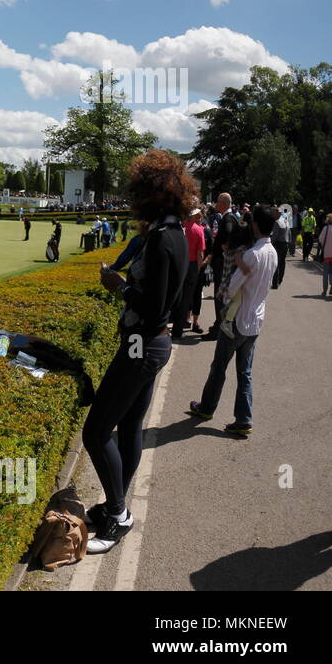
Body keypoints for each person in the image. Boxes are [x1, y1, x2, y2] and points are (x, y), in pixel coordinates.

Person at [82, 149, 193, 554]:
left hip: (141, 343)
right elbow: (174, 306)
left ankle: (118, 514)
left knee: (95, 431)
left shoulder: (163, 239)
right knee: (130, 427)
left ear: (151, 195)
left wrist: (119, 285)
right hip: (153, 342)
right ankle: (116, 505)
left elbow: (152, 306)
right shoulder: (173, 233)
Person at [187, 206, 279, 437]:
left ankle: (207, 408)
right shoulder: (273, 252)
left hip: (237, 319)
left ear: (256, 225)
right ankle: (243, 418)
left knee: (219, 367)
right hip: (256, 319)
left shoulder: (251, 254)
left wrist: (226, 290)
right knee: (245, 372)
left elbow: (231, 289)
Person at [203, 193, 241, 341]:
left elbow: (230, 234)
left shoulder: (228, 218)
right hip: (222, 262)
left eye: (218, 202)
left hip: (222, 263)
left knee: (219, 296)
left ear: (224, 203)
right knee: (221, 295)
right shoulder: (230, 217)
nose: (216, 205)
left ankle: (218, 327)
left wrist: (225, 249)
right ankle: (219, 324)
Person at [173, 208, 207, 339]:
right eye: (198, 216)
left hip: (180, 264)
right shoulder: (199, 230)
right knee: (186, 299)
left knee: (176, 296)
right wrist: (198, 269)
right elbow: (200, 254)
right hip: (192, 265)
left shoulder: (181, 228)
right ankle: (178, 330)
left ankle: (171, 326)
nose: (200, 218)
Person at [270, 207, 290, 289]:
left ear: (278, 212)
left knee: (276, 264)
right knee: (282, 263)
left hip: (278, 244)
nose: (272, 214)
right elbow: (289, 233)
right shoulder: (286, 221)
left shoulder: (277, 222)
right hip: (285, 244)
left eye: (273, 212)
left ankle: (275, 283)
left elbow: (274, 236)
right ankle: (280, 280)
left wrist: (270, 243)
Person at [318, 213, 332, 297]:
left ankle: (324, 290)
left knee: (325, 272)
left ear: (328, 220)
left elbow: (320, 239)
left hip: (326, 253)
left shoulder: (325, 228)